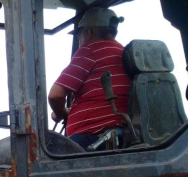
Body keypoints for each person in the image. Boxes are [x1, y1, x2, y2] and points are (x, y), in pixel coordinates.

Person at [48, 7, 130, 150]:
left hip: (93, 138)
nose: (79, 39)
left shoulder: (90, 50)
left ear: (87, 33)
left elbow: (55, 95)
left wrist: (60, 113)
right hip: (121, 134)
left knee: (47, 154)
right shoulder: (124, 53)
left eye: (78, 35)